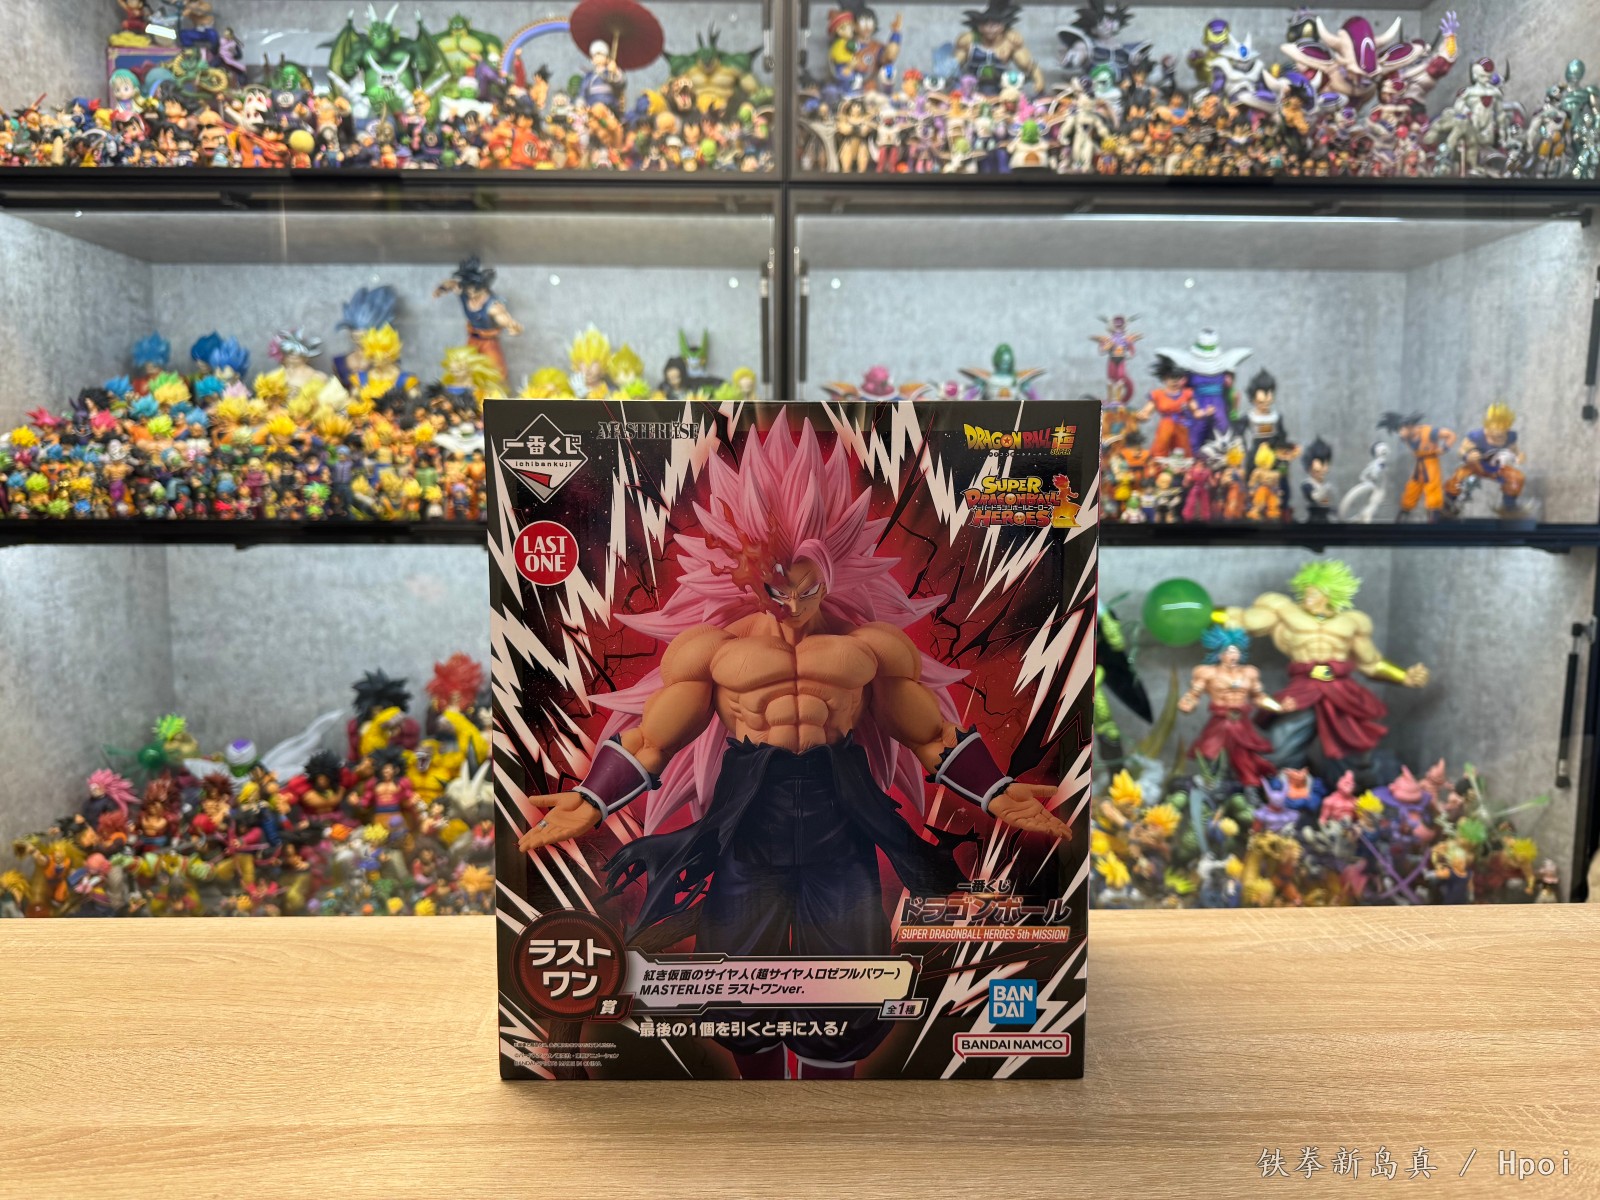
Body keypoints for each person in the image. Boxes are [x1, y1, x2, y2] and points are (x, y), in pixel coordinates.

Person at [516, 414, 1069, 1079]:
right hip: (752, 817)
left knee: (851, 983)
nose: (794, 604)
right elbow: (652, 738)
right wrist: (591, 800)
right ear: (747, 577)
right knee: (736, 987)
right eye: (777, 590)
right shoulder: (714, 651)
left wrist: (996, 791)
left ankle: (831, 1110)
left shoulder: (868, 649)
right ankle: (760, 1108)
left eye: (809, 588)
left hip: (840, 815)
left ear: (833, 571)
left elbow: (930, 735)